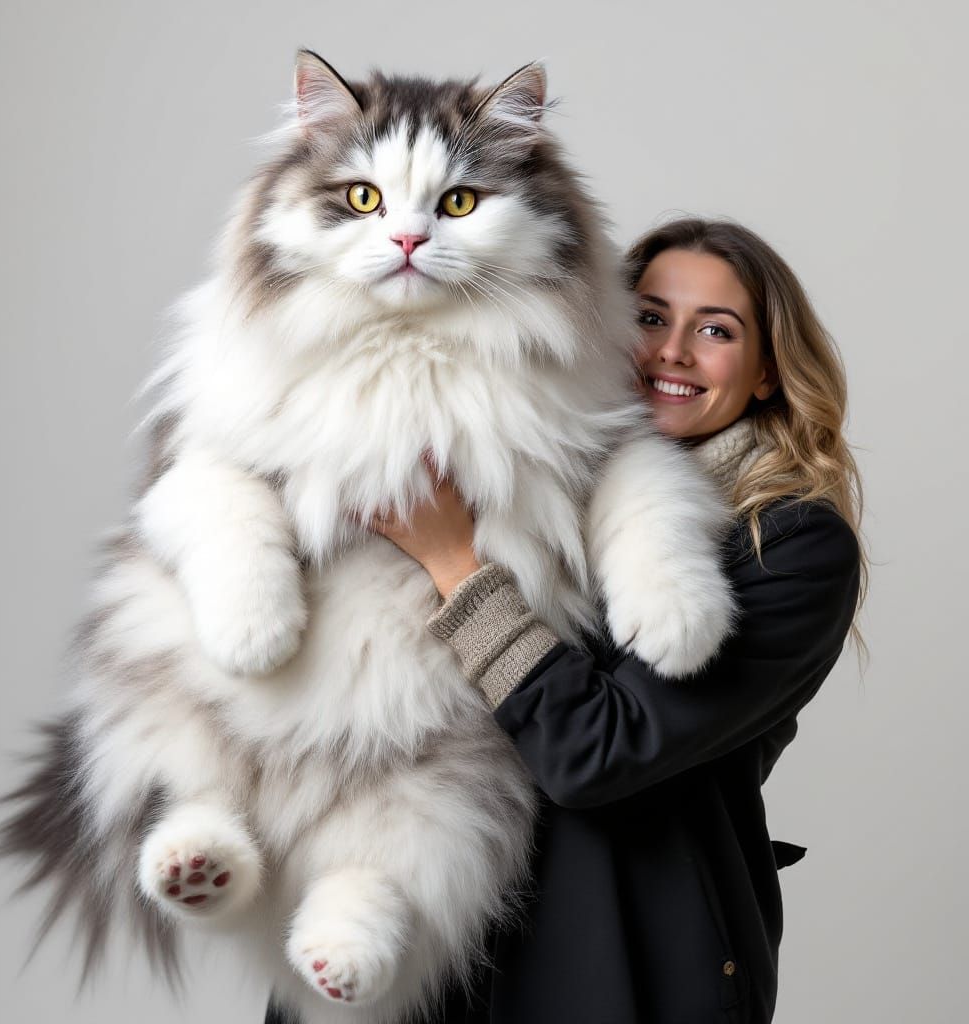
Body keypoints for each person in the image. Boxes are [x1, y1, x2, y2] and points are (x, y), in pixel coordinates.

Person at [265, 216, 866, 1023]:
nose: (671, 352)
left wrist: (454, 564)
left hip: (616, 952)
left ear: (764, 374)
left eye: (715, 331)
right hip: (415, 931)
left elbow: (596, 751)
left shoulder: (790, 545)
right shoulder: (506, 470)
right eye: (650, 316)